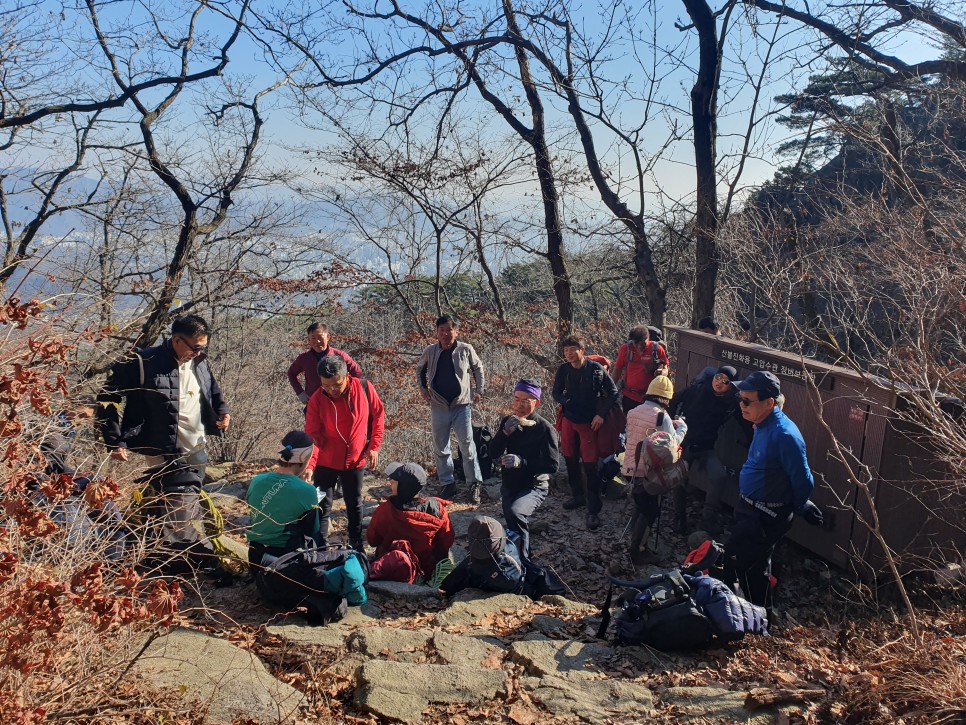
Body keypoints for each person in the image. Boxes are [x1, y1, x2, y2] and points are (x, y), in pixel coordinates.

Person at [724, 371, 822, 607]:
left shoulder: (785, 435)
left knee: (745, 566)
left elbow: (804, 478)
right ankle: (752, 616)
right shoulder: (760, 423)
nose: (741, 405)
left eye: (747, 401)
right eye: (740, 399)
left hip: (766, 514)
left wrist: (800, 504)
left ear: (769, 403)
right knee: (755, 565)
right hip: (751, 508)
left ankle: (756, 620)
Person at [96, 314, 230, 474]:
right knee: (172, 496)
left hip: (197, 445)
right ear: (177, 340)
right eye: (195, 348)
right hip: (161, 449)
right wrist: (114, 440)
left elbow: (211, 387)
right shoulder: (142, 362)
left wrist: (223, 411)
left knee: (194, 490)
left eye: (202, 347)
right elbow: (106, 397)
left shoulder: (198, 361)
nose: (199, 353)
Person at [306, 355, 385, 550]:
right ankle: (319, 547)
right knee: (322, 504)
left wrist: (374, 447)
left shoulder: (364, 388)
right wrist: (310, 465)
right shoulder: (317, 399)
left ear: (347, 376)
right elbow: (313, 436)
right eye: (326, 385)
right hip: (326, 461)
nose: (332, 390)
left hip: (355, 460)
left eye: (336, 384)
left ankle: (356, 542)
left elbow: (378, 416)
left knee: (354, 503)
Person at [552, 334, 620, 530]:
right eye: (566, 351)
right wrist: (565, 402)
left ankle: (594, 510)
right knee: (570, 459)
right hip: (569, 421)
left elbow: (613, 392)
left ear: (582, 350)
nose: (569, 354)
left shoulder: (596, 370)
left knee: (591, 467)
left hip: (589, 424)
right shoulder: (564, 370)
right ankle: (577, 497)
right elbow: (556, 392)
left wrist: (601, 415)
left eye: (572, 350)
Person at [415, 315, 486, 504]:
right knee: (441, 447)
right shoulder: (430, 351)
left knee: (467, 445)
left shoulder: (465, 349)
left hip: (461, 405)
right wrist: (423, 390)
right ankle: (448, 484)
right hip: (438, 405)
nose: (446, 334)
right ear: (437, 333)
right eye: (442, 330)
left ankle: (474, 484)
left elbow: (478, 368)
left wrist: (479, 390)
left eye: (449, 330)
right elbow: (420, 370)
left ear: (456, 331)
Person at [669, 366, 747, 534]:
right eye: (718, 377)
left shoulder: (731, 403)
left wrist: (755, 440)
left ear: (731, 385)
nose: (719, 382)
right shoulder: (697, 390)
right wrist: (669, 424)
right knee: (679, 477)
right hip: (686, 444)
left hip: (707, 448)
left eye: (725, 381)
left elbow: (745, 423)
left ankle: (707, 518)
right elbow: (674, 400)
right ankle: (679, 517)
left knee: (719, 476)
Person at [489, 379, 560, 560]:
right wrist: (504, 434)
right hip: (510, 483)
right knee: (513, 523)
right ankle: (517, 558)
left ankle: (524, 562)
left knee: (516, 512)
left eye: (525, 400)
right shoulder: (509, 422)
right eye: (516, 399)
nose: (519, 405)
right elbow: (491, 452)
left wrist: (522, 461)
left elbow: (552, 464)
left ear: (536, 402)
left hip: (534, 485)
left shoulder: (545, 428)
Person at [623, 375, 687, 564]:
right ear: (665, 398)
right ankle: (637, 550)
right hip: (649, 472)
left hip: (630, 468)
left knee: (640, 505)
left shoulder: (633, 411)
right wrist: (682, 427)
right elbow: (672, 443)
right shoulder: (662, 415)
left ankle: (634, 540)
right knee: (650, 511)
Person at [246, 431, 321, 570]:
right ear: (305, 458)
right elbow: (313, 531)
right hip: (284, 562)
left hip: (255, 559)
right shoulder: (306, 490)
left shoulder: (256, 481)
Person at [366, 462, 455, 580]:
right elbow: (447, 541)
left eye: (394, 481)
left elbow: (372, 540)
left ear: (403, 486)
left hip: (392, 566)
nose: (390, 483)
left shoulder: (385, 510)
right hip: (426, 570)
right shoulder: (438, 509)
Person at [288, 322, 363, 405]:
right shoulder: (304, 358)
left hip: (338, 403)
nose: (317, 341)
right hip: (314, 403)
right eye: (313, 338)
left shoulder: (339, 355)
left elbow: (357, 372)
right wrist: (300, 393)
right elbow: (291, 373)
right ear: (308, 340)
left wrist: (348, 390)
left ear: (327, 337)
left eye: (320, 337)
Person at [612, 325, 670, 414]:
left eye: (643, 345)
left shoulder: (657, 349)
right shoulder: (626, 349)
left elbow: (666, 367)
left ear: (648, 338)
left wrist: (663, 373)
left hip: (650, 398)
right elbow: (617, 370)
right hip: (630, 396)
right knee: (630, 424)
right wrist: (610, 388)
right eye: (636, 344)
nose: (639, 348)